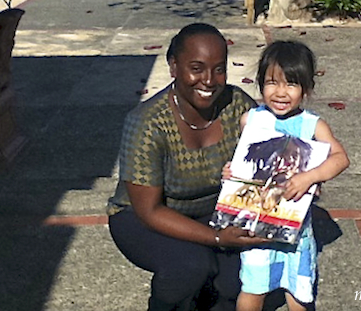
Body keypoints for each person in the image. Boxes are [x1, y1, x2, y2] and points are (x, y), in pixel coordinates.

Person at [107, 23, 267, 311]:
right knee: (190, 266)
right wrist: (218, 238)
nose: (208, 80)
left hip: (214, 210)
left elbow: (266, 161)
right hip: (144, 217)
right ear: (174, 66)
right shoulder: (147, 122)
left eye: (219, 69)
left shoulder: (237, 105)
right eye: (197, 68)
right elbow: (150, 211)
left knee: (239, 279)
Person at [223, 40, 350, 311]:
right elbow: (245, 161)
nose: (280, 93)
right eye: (271, 82)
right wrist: (230, 174)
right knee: (253, 288)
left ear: (305, 89)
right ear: (260, 84)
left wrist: (310, 177)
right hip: (256, 226)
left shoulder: (312, 124)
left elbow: (340, 159)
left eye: (291, 84)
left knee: (299, 292)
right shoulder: (251, 120)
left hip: (296, 231)